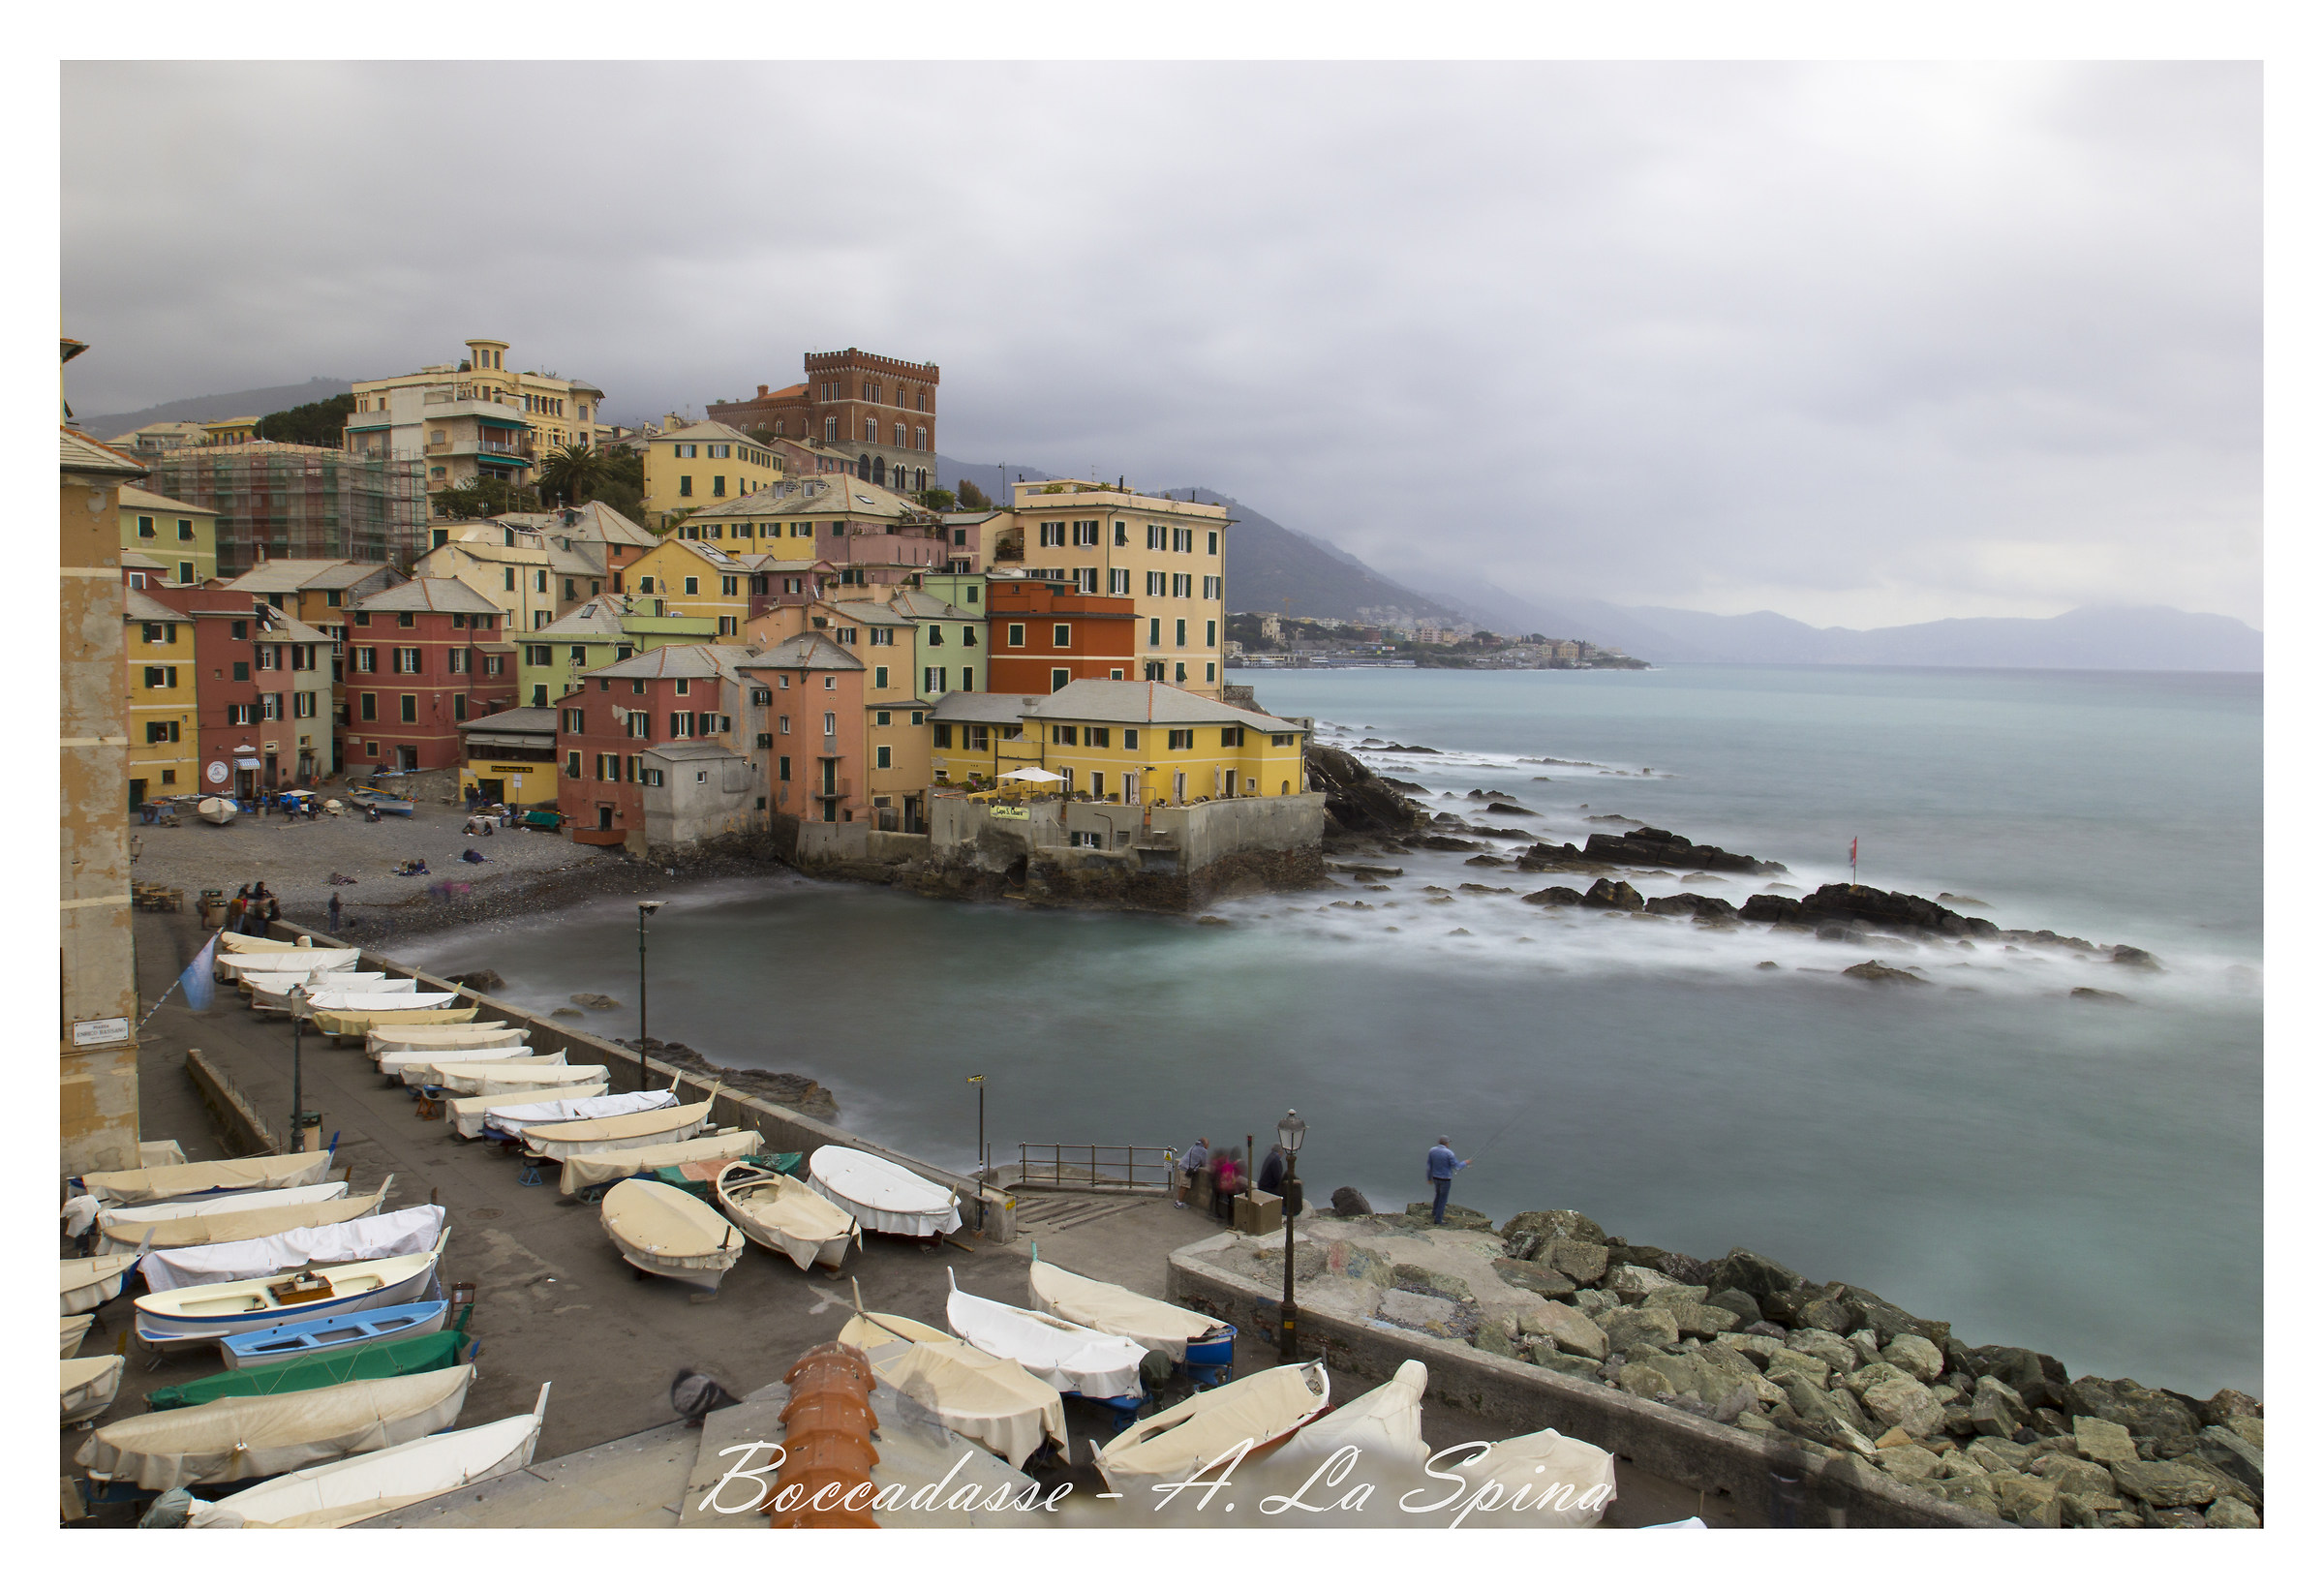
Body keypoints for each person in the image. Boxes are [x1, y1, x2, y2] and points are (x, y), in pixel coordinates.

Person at [1426, 1136, 1470, 1225]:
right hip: (1445, 1179)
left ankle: (1434, 1212)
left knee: (1438, 1195)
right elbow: (1457, 1167)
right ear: (1446, 1143)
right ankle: (1438, 1219)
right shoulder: (1449, 1153)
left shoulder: (1432, 1151)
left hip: (1435, 1178)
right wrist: (1465, 1163)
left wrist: (1429, 1178)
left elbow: (1429, 1166)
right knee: (1443, 1199)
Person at [1174, 1137, 1210, 1208]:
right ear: (1205, 1144)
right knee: (1184, 1186)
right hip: (1186, 1168)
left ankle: (1180, 1201)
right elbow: (1204, 1163)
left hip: (1182, 1165)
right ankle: (1179, 1203)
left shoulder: (1194, 1146)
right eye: (1208, 1144)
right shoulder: (1203, 1151)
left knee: (1183, 1185)